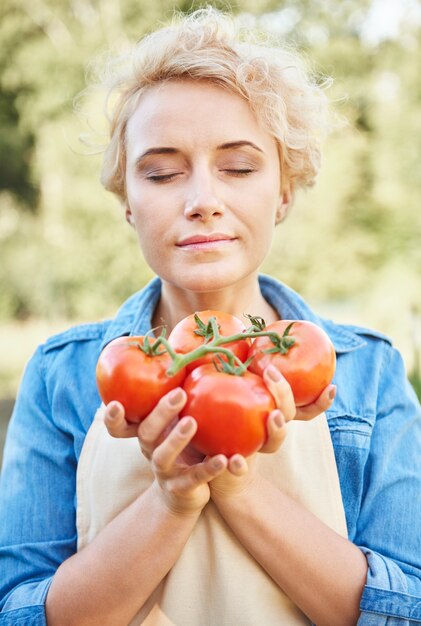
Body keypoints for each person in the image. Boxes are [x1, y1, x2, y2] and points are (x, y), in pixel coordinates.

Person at [1, 7, 421, 626]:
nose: (202, 201)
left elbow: (404, 610)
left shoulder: (370, 371)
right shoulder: (60, 375)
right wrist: (171, 499)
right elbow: (20, 613)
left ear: (283, 192)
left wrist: (235, 484)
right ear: (127, 202)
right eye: (162, 172)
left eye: (240, 167)